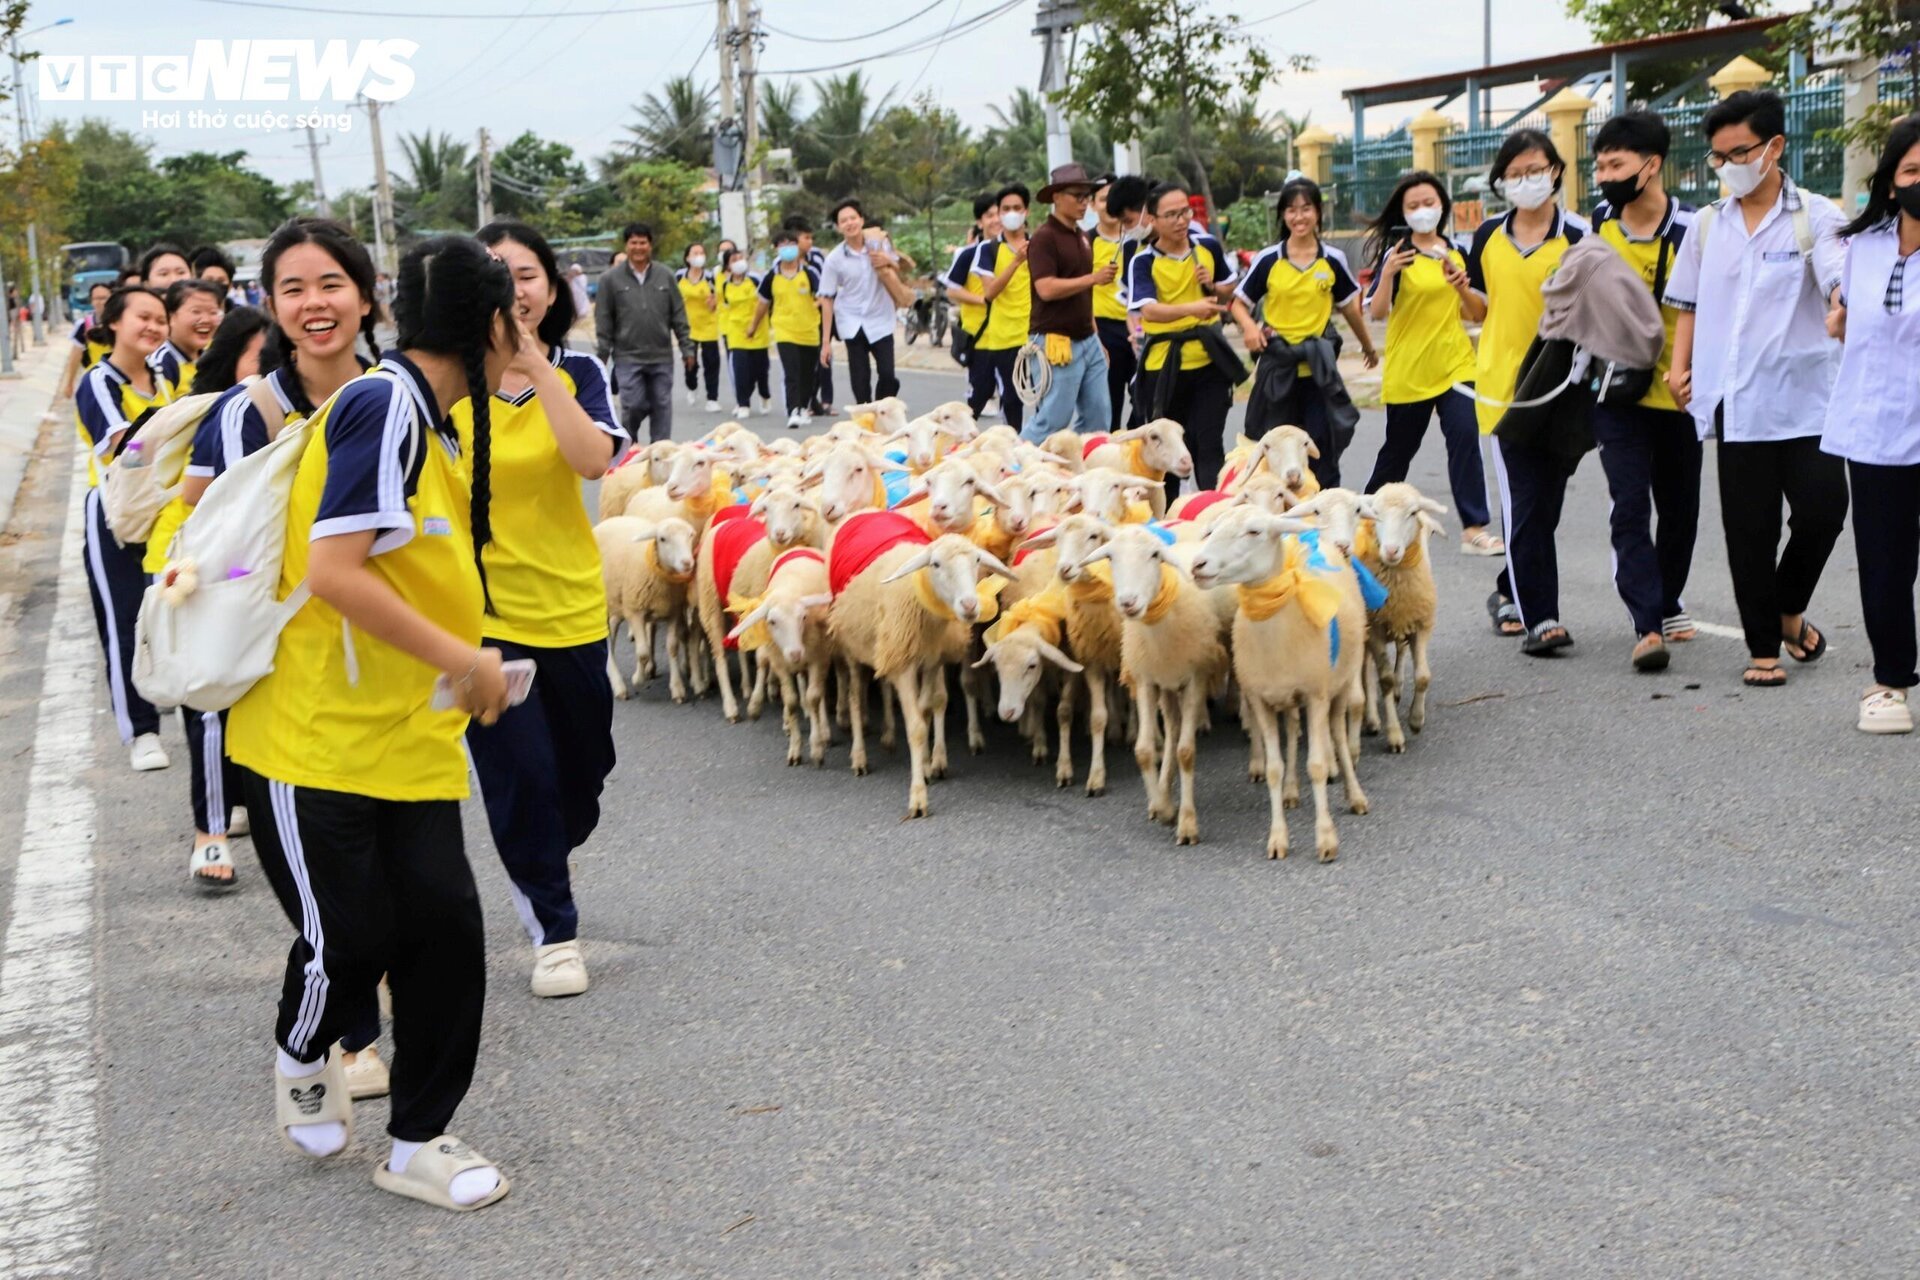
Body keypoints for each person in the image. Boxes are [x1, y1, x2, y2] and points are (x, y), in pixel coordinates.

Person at [228, 234, 516, 1213]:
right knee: (350, 937)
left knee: (445, 932)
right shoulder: (382, 404)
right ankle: (307, 1039)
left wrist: (466, 662)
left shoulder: (434, 421)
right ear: (490, 326)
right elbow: (335, 571)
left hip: (409, 738)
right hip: (314, 742)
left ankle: (418, 1139)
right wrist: (468, 661)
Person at [461, 220, 621, 994]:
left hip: (572, 611)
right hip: (480, 625)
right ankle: (554, 931)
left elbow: (593, 459)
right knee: (521, 777)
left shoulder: (579, 372)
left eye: (525, 273)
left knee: (582, 778)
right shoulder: (440, 383)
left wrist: (531, 363)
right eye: (494, 272)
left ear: (551, 289)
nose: (513, 287)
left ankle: (550, 850)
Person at [1666, 89, 1848, 688]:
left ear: (1774, 147)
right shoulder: (1707, 225)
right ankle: (1763, 649)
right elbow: (1688, 303)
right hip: (1735, 401)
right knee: (1749, 530)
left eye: (1738, 152)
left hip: (1805, 399)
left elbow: (1835, 269)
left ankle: (1787, 608)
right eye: (1717, 158)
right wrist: (1679, 367)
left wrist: (1841, 301)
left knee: (1824, 510)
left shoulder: (1815, 215)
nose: (1728, 166)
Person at [154, 304, 272, 893]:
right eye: (262, 350)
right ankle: (210, 832)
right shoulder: (234, 409)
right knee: (212, 699)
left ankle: (249, 796)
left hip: (290, 572)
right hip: (223, 565)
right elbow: (198, 496)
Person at [1586, 111, 1700, 672]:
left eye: (1616, 163)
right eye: (1600, 164)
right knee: (1629, 505)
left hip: (1681, 395)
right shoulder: (1599, 223)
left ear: (1651, 165)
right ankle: (1647, 623)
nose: (1604, 174)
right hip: (1616, 393)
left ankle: (1668, 598)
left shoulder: (1692, 230)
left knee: (1679, 509)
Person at [1465, 130, 1588, 645]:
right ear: (1501, 182)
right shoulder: (1488, 236)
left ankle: (1508, 589)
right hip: (1502, 389)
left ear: (1556, 171)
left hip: (1562, 388)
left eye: (1534, 170)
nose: (1525, 181)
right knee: (1524, 504)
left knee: (1545, 505)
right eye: (1514, 174)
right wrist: (1459, 294)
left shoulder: (1581, 235)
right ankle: (1543, 617)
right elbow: (1479, 308)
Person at [1820, 116, 1920, 733]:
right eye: (1912, 172)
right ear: (1890, 184)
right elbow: (1847, 317)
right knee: (1884, 562)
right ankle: (1889, 684)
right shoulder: (1865, 248)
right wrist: (1840, 317)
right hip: (1877, 429)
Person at [1361, 171, 1497, 554]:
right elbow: (1378, 312)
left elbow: (1476, 313)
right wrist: (1387, 273)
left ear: (1442, 206)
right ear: (1403, 213)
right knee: (1398, 453)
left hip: (1455, 365)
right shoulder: (1397, 255)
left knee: (1465, 436)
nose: (1423, 211)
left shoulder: (1457, 252)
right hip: (1411, 369)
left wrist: (1461, 286)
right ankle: (1366, 514)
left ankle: (1474, 528)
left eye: (1429, 203)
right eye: (1414, 205)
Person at [76, 287, 175, 773]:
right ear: (114, 321)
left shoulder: (167, 374)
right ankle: (141, 731)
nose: (154, 326)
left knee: (170, 612)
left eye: (160, 318)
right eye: (143, 317)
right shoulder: (98, 380)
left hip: (166, 509)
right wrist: (180, 423)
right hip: (114, 513)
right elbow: (123, 445)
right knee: (123, 620)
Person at [1234, 176, 1378, 490]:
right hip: (1278, 368)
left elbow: (1350, 309)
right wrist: (1248, 328)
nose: (1299, 217)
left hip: (1318, 369)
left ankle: (1326, 521)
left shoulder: (1332, 260)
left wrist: (1368, 347)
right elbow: (1238, 304)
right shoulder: (1269, 259)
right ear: (1283, 216)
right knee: (1275, 449)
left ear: (1318, 213)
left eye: (1306, 209)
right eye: (1291, 210)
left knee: (1322, 449)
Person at [1127, 179, 1240, 490]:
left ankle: (1210, 512)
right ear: (1152, 220)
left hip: (1208, 361)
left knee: (1208, 443)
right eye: (1172, 215)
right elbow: (1147, 310)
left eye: (1185, 212)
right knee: (1168, 452)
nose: (1181, 221)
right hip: (1164, 367)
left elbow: (1229, 288)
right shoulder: (1143, 261)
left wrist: (1214, 287)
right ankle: (1172, 519)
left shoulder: (1207, 248)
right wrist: (1193, 308)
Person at [1022, 163, 1115, 440]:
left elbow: (1083, 296)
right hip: (1054, 340)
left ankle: (1082, 474)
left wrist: (1096, 339)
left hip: (1087, 339)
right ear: (1057, 197)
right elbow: (1046, 288)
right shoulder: (1043, 238)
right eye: (1078, 196)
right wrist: (1094, 278)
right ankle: (1014, 467)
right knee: (1053, 420)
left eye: (1087, 196)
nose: (1084, 202)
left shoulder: (1082, 237)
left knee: (1099, 417)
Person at [593, 222, 692, 443]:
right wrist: (602, 356)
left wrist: (687, 348)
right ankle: (629, 445)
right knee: (633, 403)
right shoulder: (610, 280)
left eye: (643, 242)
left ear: (650, 245)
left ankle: (661, 452)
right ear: (626, 245)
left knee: (662, 405)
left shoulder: (665, 275)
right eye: (633, 242)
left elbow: (678, 314)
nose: (638, 247)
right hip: (627, 357)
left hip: (661, 355)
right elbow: (604, 319)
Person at [952, 184, 1037, 432]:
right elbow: (984, 292)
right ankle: (967, 439)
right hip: (993, 339)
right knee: (989, 397)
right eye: (1004, 210)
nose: (1011, 214)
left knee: (1037, 398)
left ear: (1027, 211)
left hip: (1034, 337)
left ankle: (1025, 449)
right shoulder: (982, 251)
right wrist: (1017, 261)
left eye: (1017, 208)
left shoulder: (1039, 245)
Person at [818, 198, 906, 405]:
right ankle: (864, 414)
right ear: (839, 227)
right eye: (843, 221)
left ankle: (880, 407)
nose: (849, 223)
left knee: (888, 374)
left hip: (880, 318)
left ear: (861, 220)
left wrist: (888, 261)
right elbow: (827, 298)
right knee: (860, 377)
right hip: (851, 320)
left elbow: (900, 267)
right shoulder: (834, 259)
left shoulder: (879, 244)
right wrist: (825, 343)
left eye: (853, 218)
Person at [1091, 174, 1149, 431]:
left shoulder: (1138, 240)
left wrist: (1137, 330)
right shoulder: (1086, 240)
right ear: (1093, 205)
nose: (1108, 205)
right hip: (1105, 331)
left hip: (1139, 329)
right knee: (1109, 402)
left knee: (1142, 397)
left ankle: (1135, 440)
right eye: (1103, 199)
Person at [749, 229, 823, 429]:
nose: (788, 248)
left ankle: (803, 405)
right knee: (792, 370)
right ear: (776, 249)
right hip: (784, 330)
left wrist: (819, 304)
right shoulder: (771, 276)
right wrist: (753, 327)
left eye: (791, 243)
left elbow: (824, 296)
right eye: (783, 245)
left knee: (808, 373)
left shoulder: (809, 272)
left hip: (809, 331)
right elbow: (763, 304)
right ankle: (793, 410)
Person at [944, 193, 1003, 403]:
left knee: (1012, 398)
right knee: (981, 394)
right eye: (989, 215)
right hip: (980, 338)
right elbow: (952, 291)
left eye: (1000, 213)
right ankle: (966, 434)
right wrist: (984, 300)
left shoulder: (1018, 251)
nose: (996, 219)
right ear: (980, 222)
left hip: (1012, 337)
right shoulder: (968, 254)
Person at [785, 216, 834, 415]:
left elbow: (825, 286)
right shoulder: (782, 262)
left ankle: (826, 400)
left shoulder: (817, 258)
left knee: (824, 358)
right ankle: (806, 401)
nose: (810, 242)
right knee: (802, 365)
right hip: (793, 322)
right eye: (806, 238)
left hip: (819, 316)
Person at [148, 278, 226, 395]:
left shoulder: (213, 357)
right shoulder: (161, 365)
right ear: (171, 317)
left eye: (213, 312)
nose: (206, 320)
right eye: (196, 311)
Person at [719, 247, 772, 417]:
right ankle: (743, 403)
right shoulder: (725, 285)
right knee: (740, 368)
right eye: (733, 260)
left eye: (740, 258)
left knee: (760, 369)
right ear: (727, 265)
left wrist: (755, 325)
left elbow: (765, 301)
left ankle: (764, 394)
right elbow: (724, 307)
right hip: (736, 332)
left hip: (757, 330)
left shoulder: (756, 280)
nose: (738, 262)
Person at [676, 244, 723, 412]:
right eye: (695, 253)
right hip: (687, 327)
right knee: (690, 362)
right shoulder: (680, 276)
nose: (699, 256)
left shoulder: (710, 277)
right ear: (687, 258)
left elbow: (717, 299)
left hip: (708, 326)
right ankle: (692, 385)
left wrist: (713, 302)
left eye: (702, 252)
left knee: (711, 363)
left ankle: (712, 398)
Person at [58, 280, 116, 399]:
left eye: (104, 298)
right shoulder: (84, 325)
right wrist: (69, 383)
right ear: (91, 301)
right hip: (94, 380)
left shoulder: (121, 323)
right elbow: (76, 355)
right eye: (96, 298)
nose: (100, 302)